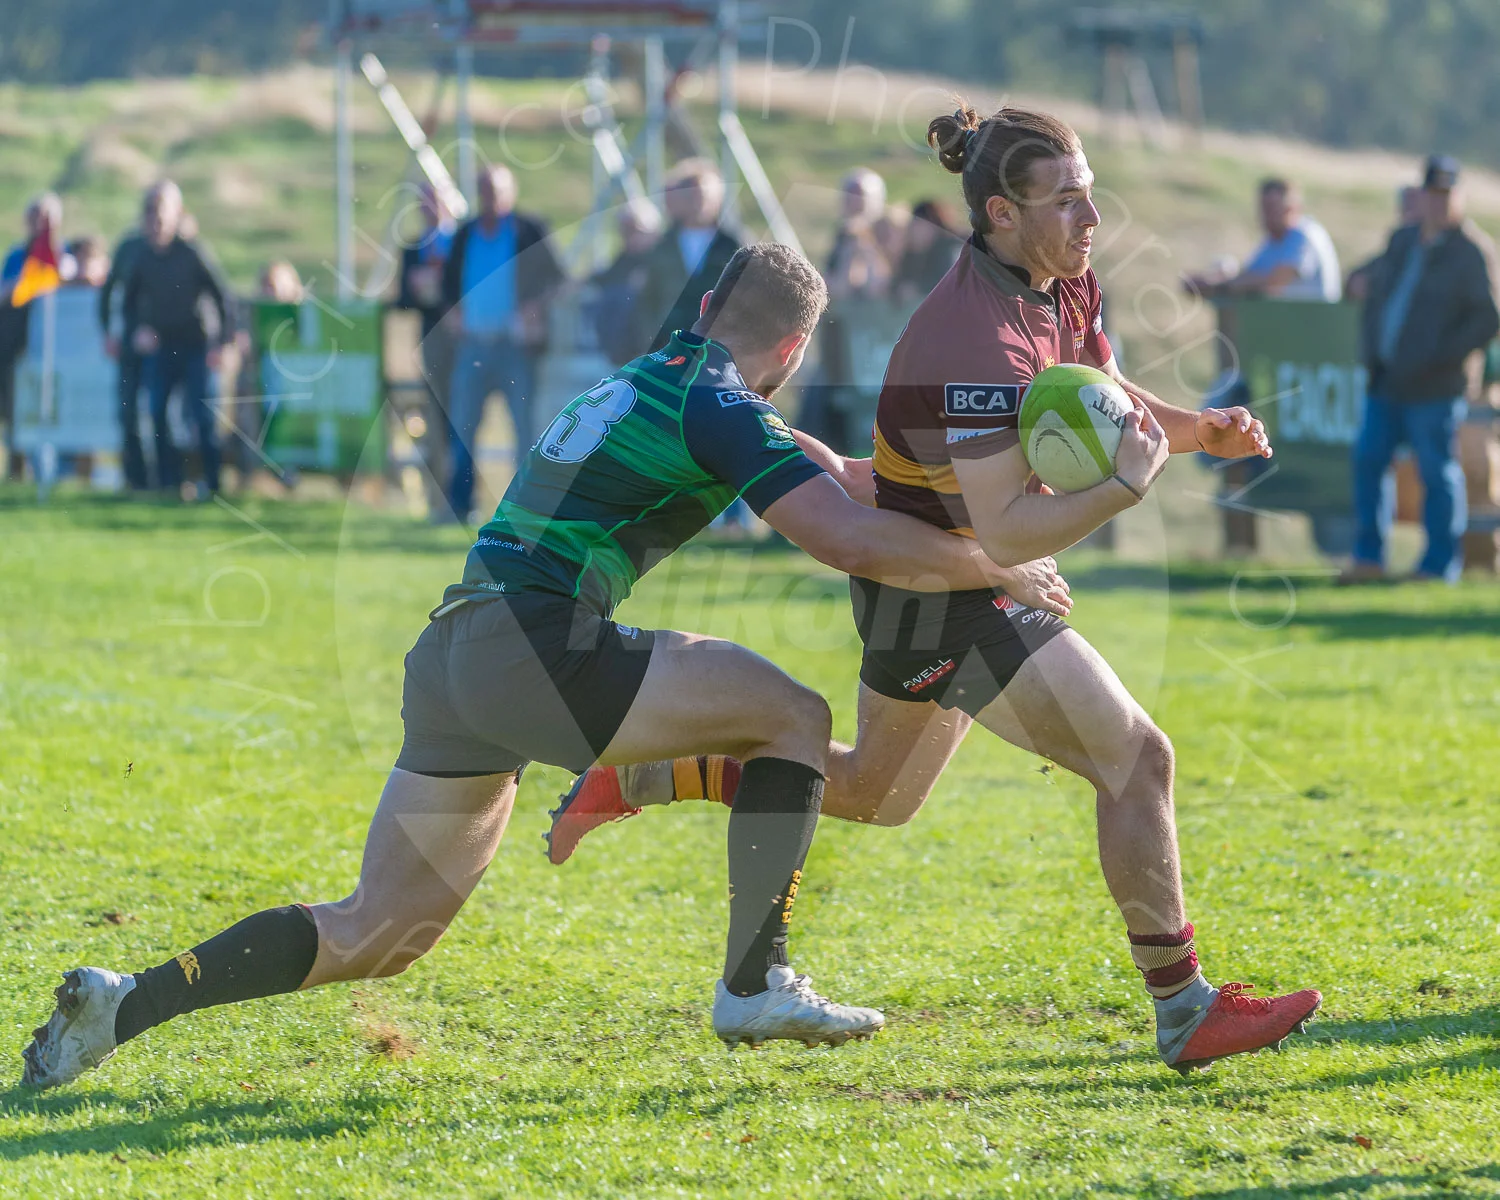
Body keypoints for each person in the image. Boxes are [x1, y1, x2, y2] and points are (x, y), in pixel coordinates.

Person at [21, 243, 1042, 1090]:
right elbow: (844, 540)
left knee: (381, 932)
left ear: (703, 305)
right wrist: (1001, 562)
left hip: (458, 660)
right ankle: (754, 978)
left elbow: (836, 473)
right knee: (793, 713)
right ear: (794, 344)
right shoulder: (722, 399)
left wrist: (932, 500)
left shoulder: (655, 376)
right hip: (534, 646)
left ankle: (123, 1004)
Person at [549, 105, 1322, 1076]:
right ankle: (1184, 1008)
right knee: (1138, 759)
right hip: (942, 585)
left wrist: (1197, 427)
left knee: (876, 794)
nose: (1092, 219)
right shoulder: (969, 337)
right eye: (1068, 200)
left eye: (1090, 193)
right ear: (1001, 213)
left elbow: (1102, 391)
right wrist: (1125, 485)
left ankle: (658, 773)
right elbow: (1002, 532)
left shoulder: (1062, 279)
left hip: (940, 582)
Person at [1343, 155, 1499, 584]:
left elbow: (1489, 317)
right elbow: (1368, 279)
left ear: (1460, 197)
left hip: (1437, 385)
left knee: (1437, 473)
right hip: (1386, 379)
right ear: (1423, 196)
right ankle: (1368, 559)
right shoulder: (1404, 239)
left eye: (1447, 195)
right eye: (1433, 194)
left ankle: (1437, 567)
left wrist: (1441, 355)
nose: (1439, 203)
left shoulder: (1472, 252)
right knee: (1369, 463)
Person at [440, 164, 565, 523]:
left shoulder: (529, 230)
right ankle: (460, 506)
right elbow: (449, 282)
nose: (491, 198)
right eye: (485, 190)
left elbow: (557, 278)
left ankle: (524, 510)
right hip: (473, 344)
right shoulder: (466, 234)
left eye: (497, 190)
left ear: (512, 192)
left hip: (515, 346)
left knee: (524, 428)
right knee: (463, 424)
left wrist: (534, 310)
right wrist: (453, 312)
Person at [121, 181, 232, 499]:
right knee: (157, 413)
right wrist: (138, 329)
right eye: (150, 215)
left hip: (197, 345)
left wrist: (222, 343)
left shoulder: (193, 252)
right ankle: (169, 485)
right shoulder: (141, 257)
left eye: (161, 214)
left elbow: (222, 295)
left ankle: (214, 485)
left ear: (176, 216)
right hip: (162, 347)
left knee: (203, 417)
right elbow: (128, 304)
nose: (156, 222)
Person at [99, 185, 166, 491]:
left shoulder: (179, 248)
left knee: (161, 415)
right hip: (130, 343)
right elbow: (109, 291)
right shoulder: (129, 247)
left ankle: (166, 480)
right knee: (127, 412)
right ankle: (135, 480)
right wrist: (108, 332)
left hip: (168, 346)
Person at [393, 182, 456, 498]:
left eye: (435, 201)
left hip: (464, 339)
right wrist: (416, 289)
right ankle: (439, 494)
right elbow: (402, 300)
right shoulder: (414, 249)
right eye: (423, 203)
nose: (429, 208)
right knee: (436, 415)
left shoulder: (462, 240)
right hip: (431, 338)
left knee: (464, 415)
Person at [638, 159, 741, 352]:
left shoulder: (732, 245)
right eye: (691, 196)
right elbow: (648, 300)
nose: (698, 203)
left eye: (703, 195)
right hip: (669, 345)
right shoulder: (662, 246)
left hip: (717, 345)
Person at [1185, 178, 1341, 302]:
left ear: (1293, 209)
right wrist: (1218, 278)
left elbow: (1274, 282)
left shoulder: (1303, 235)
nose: (1266, 215)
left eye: (1273, 208)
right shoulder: (1273, 240)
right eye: (1264, 208)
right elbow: (1251, 275)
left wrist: (1217, 286)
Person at [588, 197, 664, 365]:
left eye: (635, 230)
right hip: (620, 353)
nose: (630, 237)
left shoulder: (665, 261)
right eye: (625, 231)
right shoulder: (623, 261)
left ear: (653, 231)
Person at [1345, 186, 1422, 303]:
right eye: (1407, 208)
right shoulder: (1397, 246)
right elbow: (1357, 282)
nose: (1410, 215)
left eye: (1414, 207)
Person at [893, 199, 965, 305]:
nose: (915, 230)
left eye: (920, 225)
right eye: (914, 224)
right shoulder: (913, 251)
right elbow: (899, 281)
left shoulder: (949, 249)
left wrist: (917, 289)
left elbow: (946, 283)